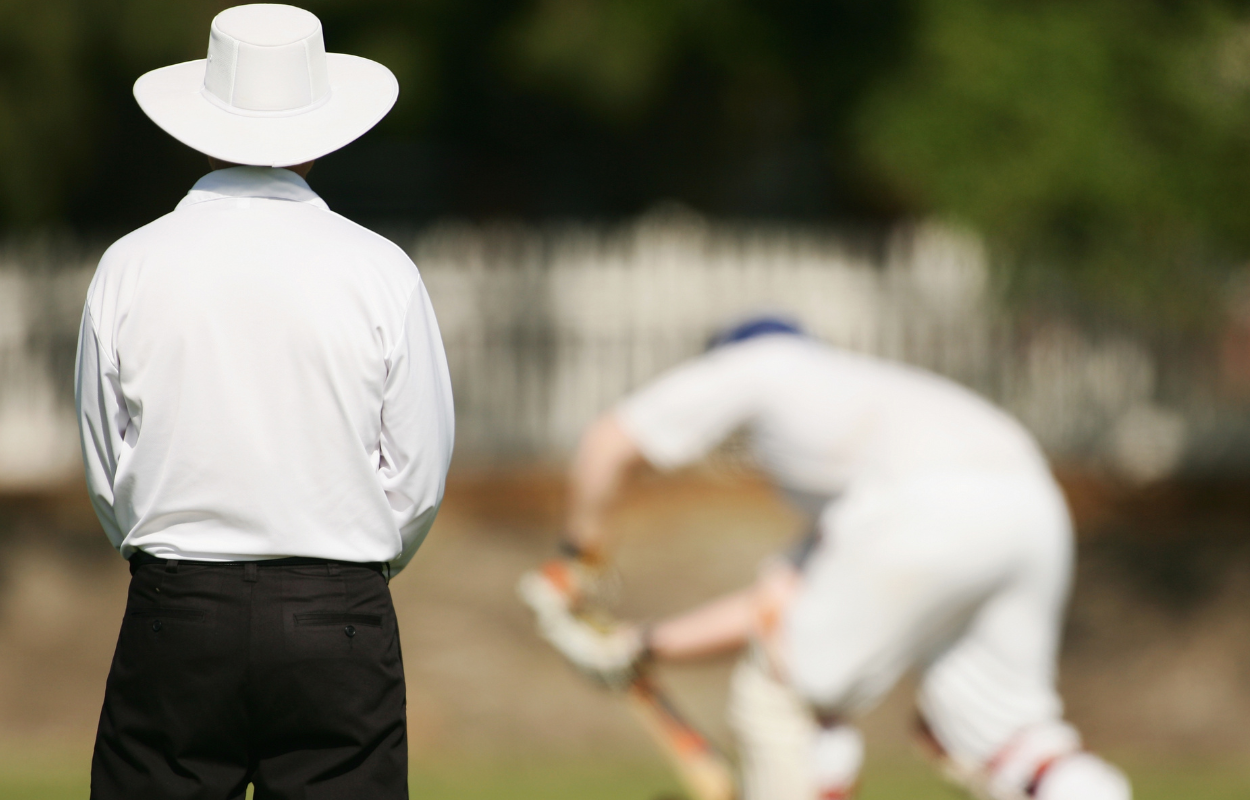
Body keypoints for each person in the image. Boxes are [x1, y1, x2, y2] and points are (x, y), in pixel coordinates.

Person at [74, 5, 454, 798]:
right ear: (323, 133)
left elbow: (108, 468)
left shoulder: (130, 265)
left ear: (202, 125)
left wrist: (167, 556)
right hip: (337, 612)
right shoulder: (379, 268)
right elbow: (417, 474)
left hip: (177, 608)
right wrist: (357, 561)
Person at [536, 317, 1131, 800]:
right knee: (1011, 735)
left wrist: (575, 561)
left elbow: (606, 444)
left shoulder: (757, 361)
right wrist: (640, 647)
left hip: (927, 508)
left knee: (785, 694)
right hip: (1033, 507)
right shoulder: (865, 417)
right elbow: (775, 607)